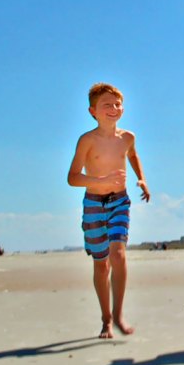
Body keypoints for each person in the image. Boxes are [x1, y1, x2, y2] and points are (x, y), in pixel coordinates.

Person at [67, 82, 151, 339]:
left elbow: (133, 155)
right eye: (107, 105)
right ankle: (106, 319)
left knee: (119, 253)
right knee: (101, 265)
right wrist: (100, 181)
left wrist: (142, 179)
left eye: (117, 104)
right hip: (93, 204)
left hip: (119, 202)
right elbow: (72, 177)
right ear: (93, 111)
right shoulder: (87, 140)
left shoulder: (127, 137)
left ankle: (119, 314)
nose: (113, 109)